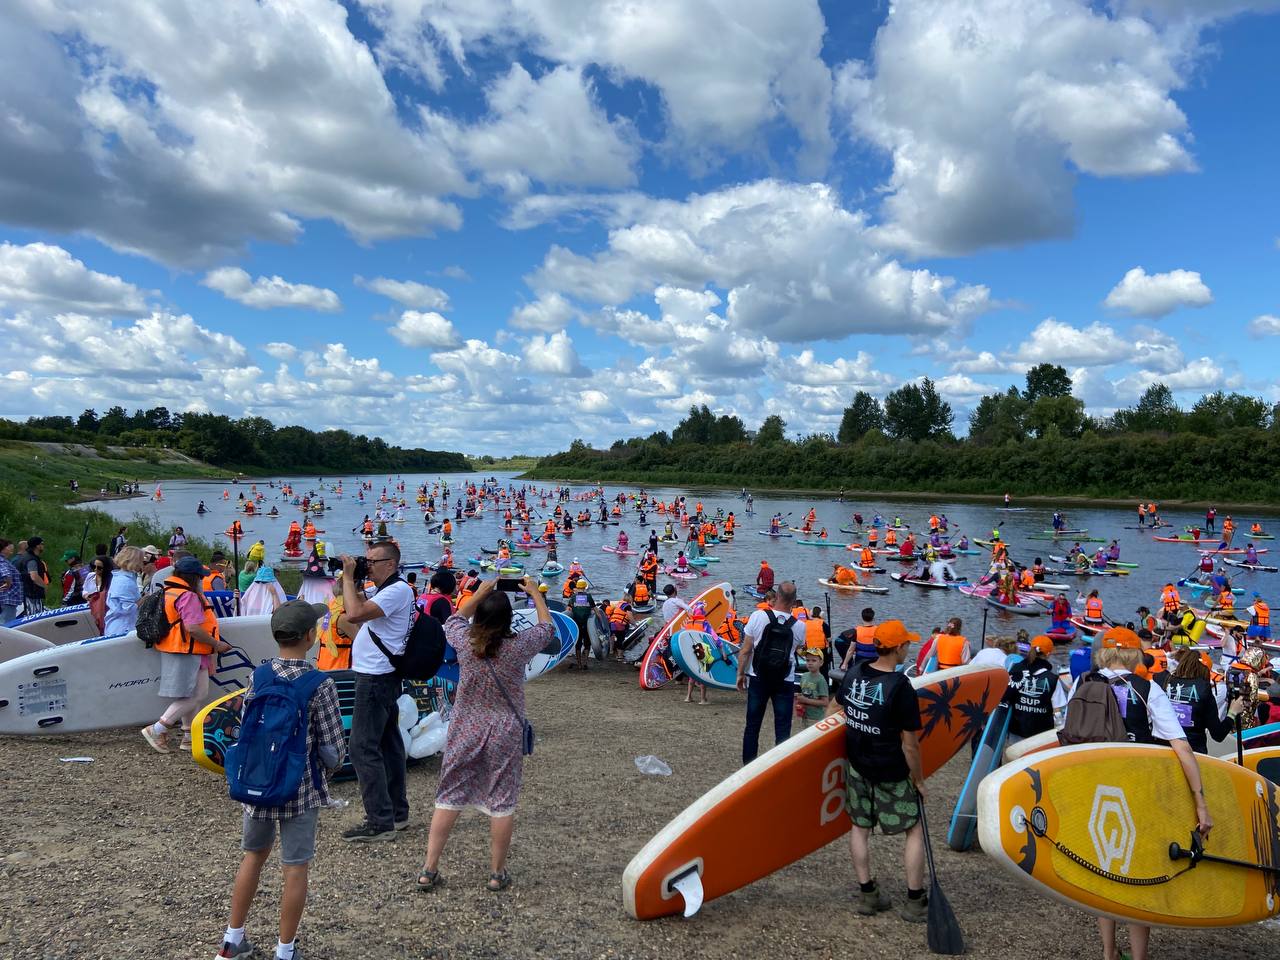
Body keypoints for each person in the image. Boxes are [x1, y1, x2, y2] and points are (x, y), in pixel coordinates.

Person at [1069, 627, 1213, 960]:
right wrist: (1201, 803)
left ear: (1103, 652)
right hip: (1135, 791)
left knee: (1103, 870)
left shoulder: (1083, 682)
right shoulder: (1147, 689)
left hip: (1092, 786)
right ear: (1135, 654)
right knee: (1138, 874)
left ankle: (1108, 953)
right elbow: (1182, 747)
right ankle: (1139, 957)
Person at [213, 600, 345, 960]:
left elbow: (247, 726)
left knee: (253, 857)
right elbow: (333, 750)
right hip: (299, 789)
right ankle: (285, 951)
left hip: (256, 783)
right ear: (310, 636)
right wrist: (327, 772)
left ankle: (232, 941)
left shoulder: (258, 676)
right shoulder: (320, 684)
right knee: (295, 867)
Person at [417, 577, 556, 893]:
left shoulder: (465, 642)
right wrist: (535, 594)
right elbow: (547, 628)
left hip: (465, 728)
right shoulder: (518, 647)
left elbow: (452, 620)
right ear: (509, 619)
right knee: (502, 801)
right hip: (504, 730)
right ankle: (496, 873)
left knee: (449, 796)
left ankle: (429, 869)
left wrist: (478, 594)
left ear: (479, 615)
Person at [828, 620, 927, 922]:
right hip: (891, 770)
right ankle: (915, 901)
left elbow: (833, 710)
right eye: (907, 644)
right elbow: (910, 746)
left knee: (859, 828)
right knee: (914, 829)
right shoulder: (901, 686)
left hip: (857, 765)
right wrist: (919, 780)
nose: (909, 648)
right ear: (898, 648)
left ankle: (867, 894)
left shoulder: (855, 672)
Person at [340, 540, 416, 842]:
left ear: (391, 564)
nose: (368, 565)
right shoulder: (388, 590)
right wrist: (354, 579)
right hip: (380, 675)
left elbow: (354, 614)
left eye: (372, 561)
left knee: (361, 748)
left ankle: (379, 821)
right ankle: (396, 813)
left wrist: (349, 578)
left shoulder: (397, 591)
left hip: (375, 678)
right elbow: (357, 604)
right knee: (388, 744)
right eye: (366, 560)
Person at [142, 556, 232, 753]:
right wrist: (216, 644)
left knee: (189, 694)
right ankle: (157, 729)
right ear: (193, 577)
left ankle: (189, 737)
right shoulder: (188, 596)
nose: (202, 580)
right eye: (200, 577)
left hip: (177, 648)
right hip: (189, 650)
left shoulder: (169, 591)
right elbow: (193, 628)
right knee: (198, 694)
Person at [736, 581, 807, 764]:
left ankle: (749, 766)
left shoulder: (758, 616)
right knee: (783, 728)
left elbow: (746, 650)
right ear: (794, 601)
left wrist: (740, 673)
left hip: (758, 676)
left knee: (752, 726)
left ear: (776, 596)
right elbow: (798, 648)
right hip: (785, 680)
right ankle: (779, 768)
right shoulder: (800, 626)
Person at [1002, 635, 1067, 743]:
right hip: (1041, 735)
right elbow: (1057, 712)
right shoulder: (1053, 679)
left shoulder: (1015, 670)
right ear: (1048, 654)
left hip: (1017, 730)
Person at [104, 547, 146, 635]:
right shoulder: (125, 582)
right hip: (124, 628)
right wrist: (145, 598)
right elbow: (128, 609)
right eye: (141, 561)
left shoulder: (119, 577)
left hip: (119, 625)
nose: (143, 564)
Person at [794, 650, 829, 728]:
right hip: (804, 715)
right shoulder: (804, 676)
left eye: (814, 660)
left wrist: (805, 700)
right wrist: (798, 696)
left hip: (815, 718)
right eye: (807, 660)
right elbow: (804, 692)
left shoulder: (821, 680)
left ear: (821, 663)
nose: (810, 663)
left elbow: (825, 702)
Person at [567, 578, 596, 670]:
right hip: (587, 624)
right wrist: (601, 620)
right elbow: (595, 609)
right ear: (584, 587)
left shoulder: (573, 597)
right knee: (587, 644)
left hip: (577, 624)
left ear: (577, 587)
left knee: (578, 644)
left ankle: (579, 664)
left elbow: (568, 610)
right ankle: (585, 663)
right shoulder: (589, 597)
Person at [18, 536, 49, 616]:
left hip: (31, 593)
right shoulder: (31, 559)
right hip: (31, 594)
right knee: (34, 616)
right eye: (42, 544)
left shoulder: (29, 557)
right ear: (37, 546)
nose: (43, 546)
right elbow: (34, 576)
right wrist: (44, 586)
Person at [0, 539, 22, 624]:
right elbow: (6, 574)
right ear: (3, 548)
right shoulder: (2, 561)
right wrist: (8, 584)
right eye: (8, 546)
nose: (11, 548)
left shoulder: (5, 561)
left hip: (6, 598)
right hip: (8, 597)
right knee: (7, 623)